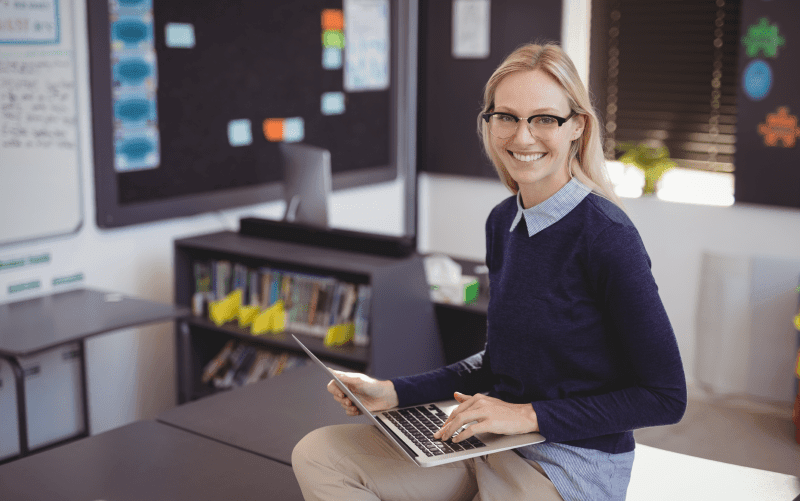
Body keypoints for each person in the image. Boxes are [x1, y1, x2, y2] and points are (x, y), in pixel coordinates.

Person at [292, 42, 686, 501]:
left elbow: (664, 396)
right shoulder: (504, 221)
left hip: (568, 465)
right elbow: (496, 364)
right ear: (489, 123)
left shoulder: (607, 236)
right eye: (507, 117)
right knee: (319, 454)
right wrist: (394, 392)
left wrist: (526, 415)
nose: (522, 137)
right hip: (491, 441)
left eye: (544, 118)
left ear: (577, 126)